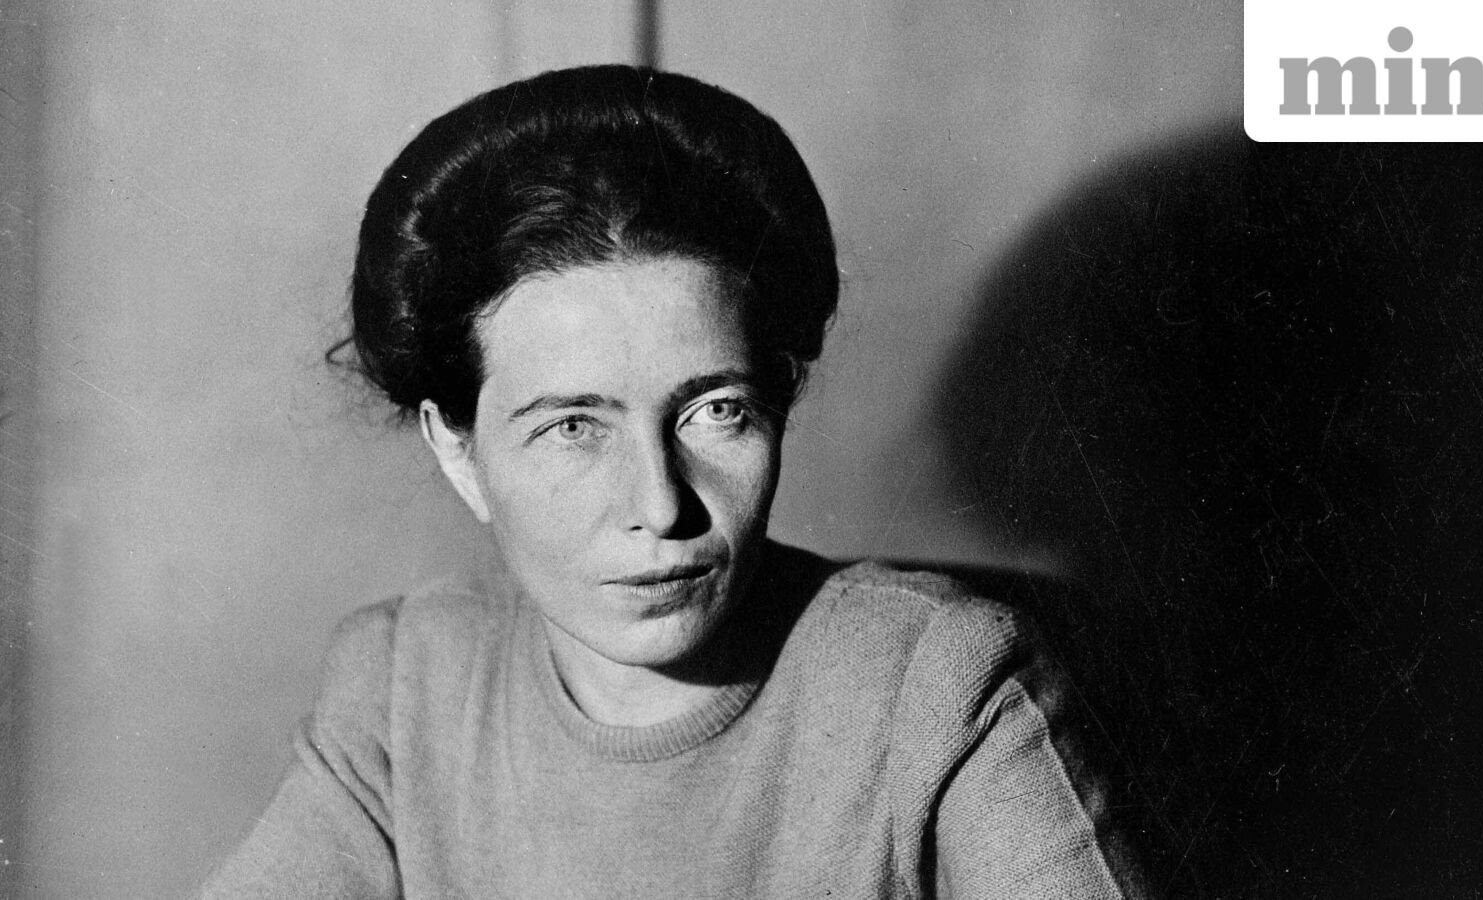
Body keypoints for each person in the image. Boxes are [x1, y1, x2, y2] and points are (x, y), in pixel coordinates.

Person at [200, 65, 1131, 899]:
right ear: (458, 450)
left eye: (715, 411)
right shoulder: (404, 684)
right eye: (573, 428)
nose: (660, 507)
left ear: (780, 398)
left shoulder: (941, 683)